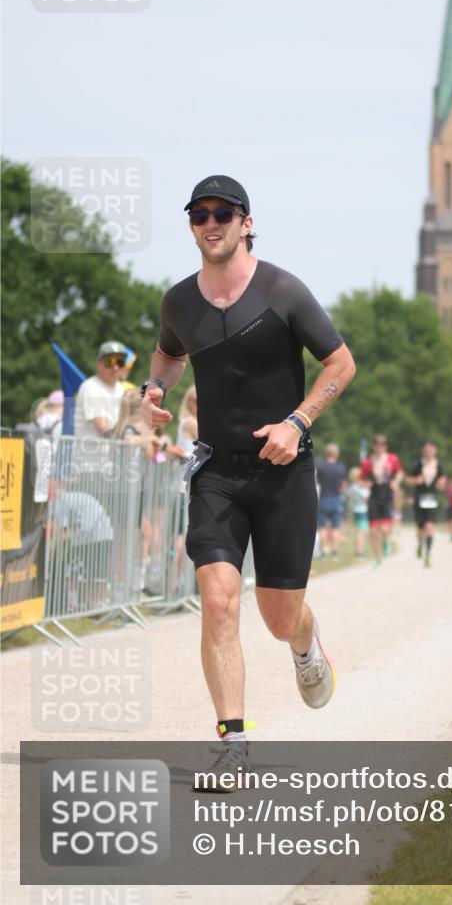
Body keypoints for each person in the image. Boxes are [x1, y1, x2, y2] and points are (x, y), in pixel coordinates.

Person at [138, 174, 355, 781]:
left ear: (246, 222)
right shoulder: (178, 301)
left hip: (284, 471)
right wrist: (154, 389)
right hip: (217, 472)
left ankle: (306, 644)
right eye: (199, 214)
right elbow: (168, 354)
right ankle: (234, 742)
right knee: (217, 600)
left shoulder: (283, 290)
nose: (212, 222)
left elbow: (341, 362)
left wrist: (298, 420)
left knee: (279, 616)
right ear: (191, 225)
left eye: (224, 213)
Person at [360, 434, 403, 568]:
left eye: (382, 445)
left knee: (384, 529)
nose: (379, 447)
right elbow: (361, 479)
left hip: (387, 495)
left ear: (386, 446)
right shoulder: (367, 462)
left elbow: (400, 472)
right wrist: (365, 484)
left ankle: (385, 542)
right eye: (377, 444)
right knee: (373, 531)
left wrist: (396, 482)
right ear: (373, 446)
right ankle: (377, 558)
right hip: (374, 496)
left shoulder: (392, 459)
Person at [404, 441, 446, 567]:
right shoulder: (416, 465)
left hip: (431, 498)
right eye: (426, 450)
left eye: (430, 450)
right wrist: (415, 480)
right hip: (419, 499)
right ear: (423, 451)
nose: (428, 453)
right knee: (421, 528)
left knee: (430, 527)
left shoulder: (439, 466)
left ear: (435, 451)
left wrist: (441, 483)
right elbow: (407, 479)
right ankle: (420, 544)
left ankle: (428, 554)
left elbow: (443, 480)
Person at [74, 341, 127, 439]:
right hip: (90, 454)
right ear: (98, 364)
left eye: (120, 362)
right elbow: (103, 429)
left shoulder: (121, 388)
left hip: (111, 453)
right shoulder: (90, 387)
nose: (115, 368)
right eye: (110, 362)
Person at [315, 443, 348, 559]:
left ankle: (323, 552)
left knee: (322, 527)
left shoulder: (321, 467)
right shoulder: (341, 468)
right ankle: (335, 553)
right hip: (336, 499)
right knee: (336, 527)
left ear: (326, 454)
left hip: (324, 499)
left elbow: (318, 481)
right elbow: (343, 485)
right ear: (337, 454)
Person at [346, 466, 369, 557]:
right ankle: (360, 551)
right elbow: (366, 498)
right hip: (362, 510)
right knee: (361, 532)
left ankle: (358, 550)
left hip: (355, 510)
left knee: (358, 531)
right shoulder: (359, 488)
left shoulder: (352, 487)